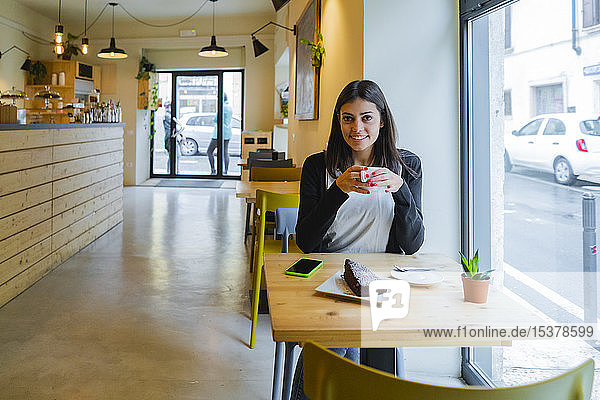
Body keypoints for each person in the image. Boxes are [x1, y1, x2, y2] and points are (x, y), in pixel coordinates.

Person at [291, 80, 425, 399]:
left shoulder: (407, 166)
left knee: (370, 355)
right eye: (348, 118)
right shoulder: (317, 166)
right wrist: (337, 190)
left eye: (366, 117)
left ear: (382, 119)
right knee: (337, 344)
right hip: (328, 278)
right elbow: (305, 242)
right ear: (339, 121)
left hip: (383, 280)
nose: (357, 128)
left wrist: (400, 191)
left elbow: (413, 244)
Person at [206, 93, 233, 175]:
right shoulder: (229, 107)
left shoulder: (221, 107)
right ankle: (225, 171)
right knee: (225, 152)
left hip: (219, 133)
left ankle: (213, 169)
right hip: (227, 133)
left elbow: (216, 119)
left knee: (209, 151)